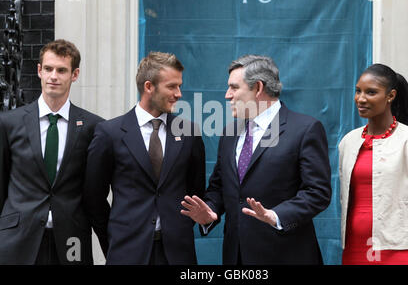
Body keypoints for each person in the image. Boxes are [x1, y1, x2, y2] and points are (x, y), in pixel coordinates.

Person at [181, 54, 332, 265]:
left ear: (258, 88)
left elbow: (317, 193)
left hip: (286, 255)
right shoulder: (230, 133)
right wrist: (209, 213)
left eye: (234, 87)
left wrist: (276, 216)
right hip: (236, 258)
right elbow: (219, 188)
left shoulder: (305, 129)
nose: (227, 95)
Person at [84, 51, 205, 265]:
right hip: (126, 252)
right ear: (149, 87)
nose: (178, 93)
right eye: (171, 86)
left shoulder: (189, 133)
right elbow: (94, 198)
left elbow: (195, 194)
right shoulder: (109, 133)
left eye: (179, 86)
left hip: (177, 254)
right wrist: (113, 239)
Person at [0, 39, 104, 265]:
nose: (53, 76)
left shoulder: (93, 127)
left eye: (61, 70)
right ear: (39, 71)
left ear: (74, 75)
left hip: (71, 241)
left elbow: (95, 193)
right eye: (48, 69)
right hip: (18, 240)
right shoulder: (9, 123)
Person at [339, 63, 408, 265]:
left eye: (371, 92)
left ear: (391, 95)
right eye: (358, 91)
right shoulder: (348, 142)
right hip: (355, 249)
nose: (361, 98)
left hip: (400, 252)